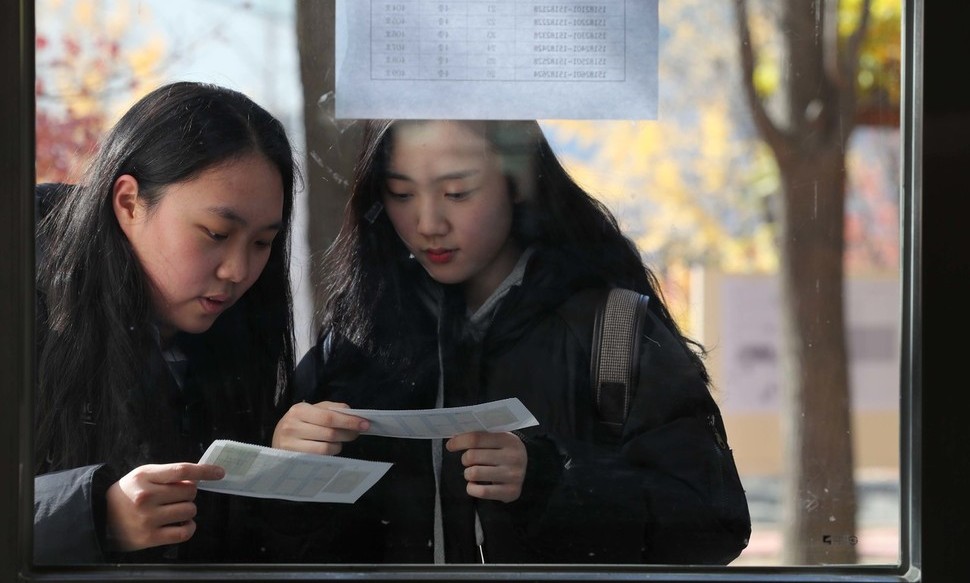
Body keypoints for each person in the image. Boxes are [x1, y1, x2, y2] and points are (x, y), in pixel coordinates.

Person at [271, 119, 751, 564]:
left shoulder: (610, 329)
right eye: (400, 194)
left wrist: (552, 480)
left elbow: (714, 522)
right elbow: (288, 547)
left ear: (519, 183)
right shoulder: (358, 338)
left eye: (457, 192)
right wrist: (286, 471)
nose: (428, 222)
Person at [33, 81, 297, 564]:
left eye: (262, 243)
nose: (238, 271)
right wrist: (93, 516)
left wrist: (290, 469)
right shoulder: (24, 306)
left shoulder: (237, 338)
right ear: (129, 203)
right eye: (216, 234)